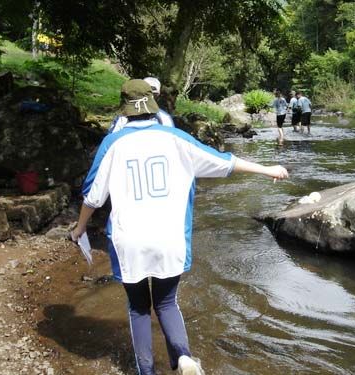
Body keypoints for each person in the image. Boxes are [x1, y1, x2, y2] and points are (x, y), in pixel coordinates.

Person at [71, 79, 289, 375]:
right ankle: (184, 358)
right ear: (153, 104)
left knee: (138, 308)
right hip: (170, 238)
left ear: (124, 109)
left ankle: (147, 371)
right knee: (167, 302)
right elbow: (224, 162)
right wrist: (268, 169)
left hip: (129, 241)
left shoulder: (113, 143)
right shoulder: (175, 137)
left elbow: (93, 196)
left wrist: (80, 228)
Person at [108, 76, 174, 133]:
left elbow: (111, 138)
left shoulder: (123, 115)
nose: (152, 97)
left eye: (154, 94)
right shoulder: (165, 117)